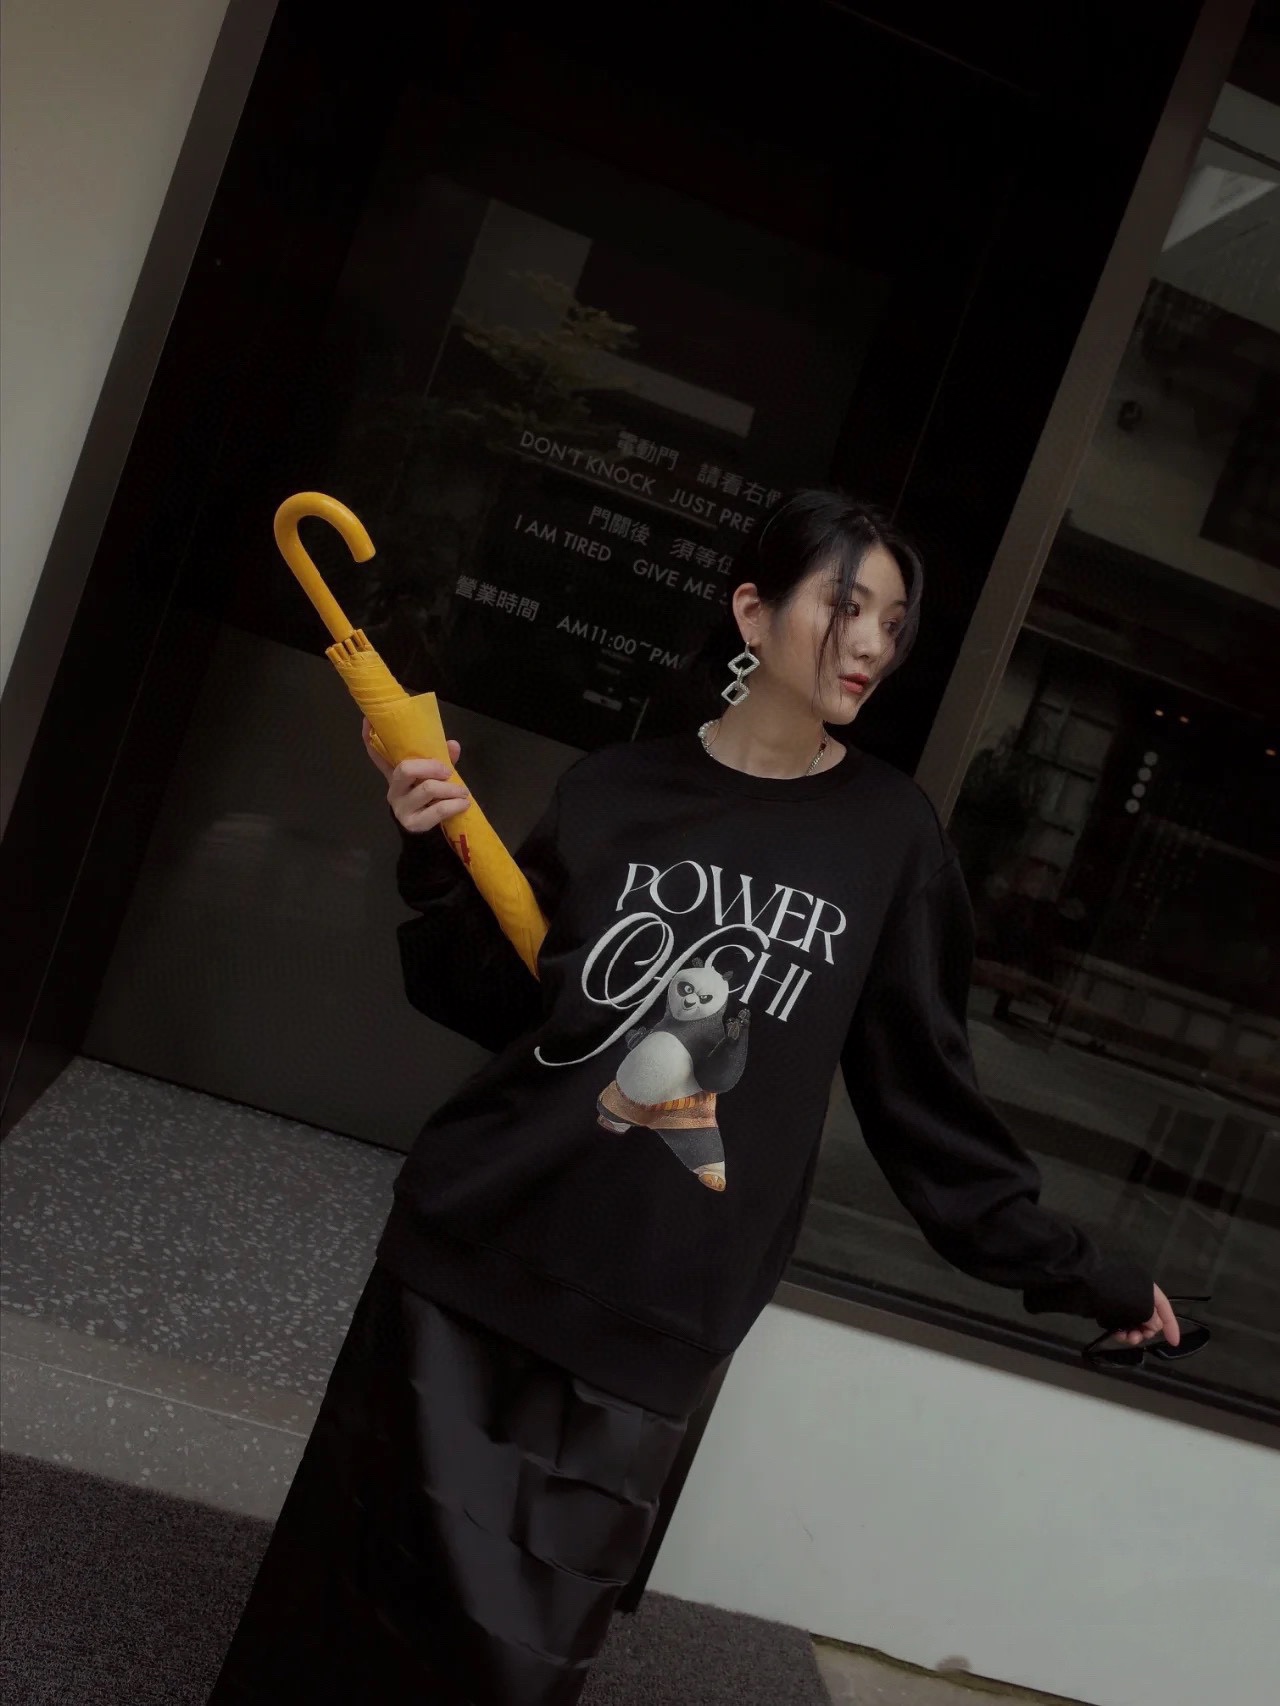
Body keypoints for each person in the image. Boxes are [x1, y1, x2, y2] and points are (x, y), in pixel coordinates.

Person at [207, 490, 1177, 1706]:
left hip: (650, 1310)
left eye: (890, 621)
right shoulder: (618, 787)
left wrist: (1079, 1268)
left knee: (508, 1668)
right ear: (752, 613)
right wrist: (426, 844)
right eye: (843, 606)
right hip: (463, 1256)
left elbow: (924, 1104)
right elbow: (503, 1003)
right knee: (338, 1622)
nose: (869, 644)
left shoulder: (887, 838)